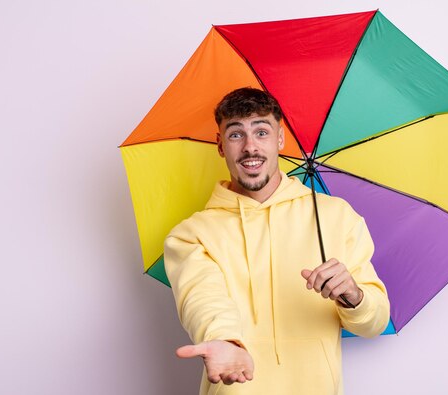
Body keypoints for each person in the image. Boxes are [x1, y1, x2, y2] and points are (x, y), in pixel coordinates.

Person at [164, 87, 390, 395]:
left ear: (280, 139)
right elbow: (203, 300)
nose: (249, 147)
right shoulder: (192, 235)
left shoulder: (335, 216)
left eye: (261, 132)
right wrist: (225, 340)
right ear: (220, 145)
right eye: (235, 135)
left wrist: (353, 295)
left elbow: (374, 323)